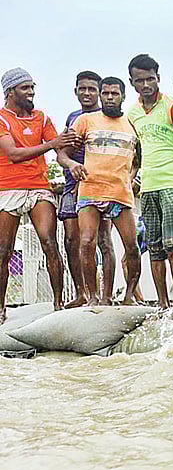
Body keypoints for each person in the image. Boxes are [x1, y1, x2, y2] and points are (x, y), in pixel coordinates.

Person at [0, 68, 78, 322]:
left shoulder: (42, 118)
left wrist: (71, 162)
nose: (31, 92)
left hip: (38, 186)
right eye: (25, 88)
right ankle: (1, 309)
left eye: (33, 87)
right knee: (4, 251)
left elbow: (60, 149)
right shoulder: (1, 118)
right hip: (8, 188)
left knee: (49, 242)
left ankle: (59, 304)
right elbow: (13, 154)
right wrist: (52, 145)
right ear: (10, 92)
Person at [126, 53, 173, 311]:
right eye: (140, 80)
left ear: (158, 78)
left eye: (150, 79)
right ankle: (163, 305)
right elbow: (137, 151)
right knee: (155, 247)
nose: (146, 85)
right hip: (147, 186)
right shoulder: (132, 114)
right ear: (132, 82)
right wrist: (133, 176)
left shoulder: (172, 106)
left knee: (172, 243)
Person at [68, 76, 142, 306]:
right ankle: (93, 297)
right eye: (106, 93)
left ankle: (127, 295)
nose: (110, 97)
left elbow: (139, 158)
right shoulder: (86, 120)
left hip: (119, 193)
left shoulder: (132, 123)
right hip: (90, 190)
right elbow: (63, 152)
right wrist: (72, 166)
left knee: (130, 246)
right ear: (101, 95)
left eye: (115, 93)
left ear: (123, 96)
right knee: (87, 242)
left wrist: (132, 177)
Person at [58, 70, 117, 307]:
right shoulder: (73, 118)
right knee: (72, 240)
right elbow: (63, 150)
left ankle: (106, 295)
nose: (87, 93)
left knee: (102, 239)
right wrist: (71, 169)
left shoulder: (107, 117)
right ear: (75, 91)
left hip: (98, 186)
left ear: (100, 93)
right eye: (82, 89)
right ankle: (82, 292)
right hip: (72, 184)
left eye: (92, 89)